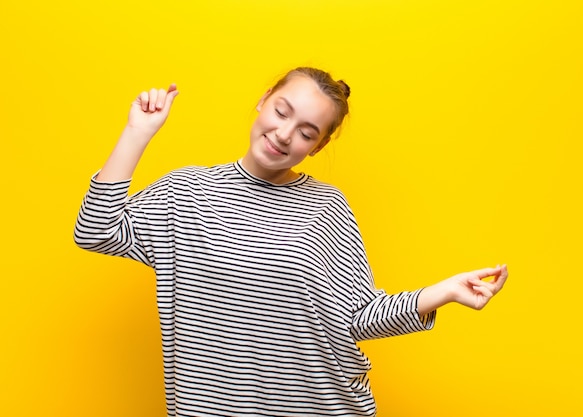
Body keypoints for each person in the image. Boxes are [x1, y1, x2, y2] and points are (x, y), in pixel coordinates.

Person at [74, 67, 508, 417]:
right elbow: (95, 231)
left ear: (317, 147)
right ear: (263, 101)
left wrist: (443, 293)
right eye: (282, 112)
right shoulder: (186, 192)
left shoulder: (326, 207)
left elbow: (357, 317)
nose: (285, 135)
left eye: (306, 132)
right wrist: (138, 132)